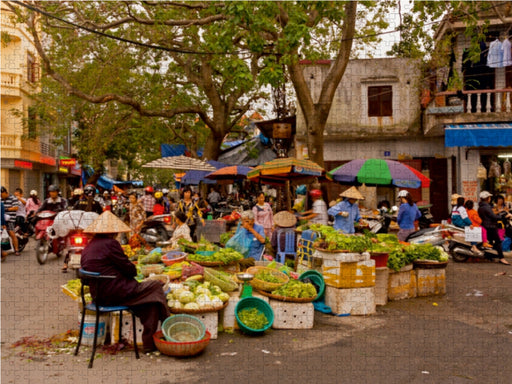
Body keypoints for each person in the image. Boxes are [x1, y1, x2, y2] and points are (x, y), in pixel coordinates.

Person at [81, 211, 170, 353]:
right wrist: (131, 271)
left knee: (151, 303)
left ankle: (149, 344)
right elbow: (129, 269)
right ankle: (168, 324)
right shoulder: (111, 244)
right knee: (155, 286)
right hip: (115, 293)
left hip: (98, 296)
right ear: (112, 232)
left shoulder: (88, 247)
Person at [478, 191, 511, 265]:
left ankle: (489, 256)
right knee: (498, 241)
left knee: (490, 241)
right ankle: (501, 258)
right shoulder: (487, 207)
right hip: (491, 226)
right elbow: (494, 216)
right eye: (489, 197)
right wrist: (503, 217)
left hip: (485, 226)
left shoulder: (481, 207)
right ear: (487, 198)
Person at [1, 186, 20, 255]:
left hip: (10, 219)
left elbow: (16, 208)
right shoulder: (1, 199)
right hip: (2, 218)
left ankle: (17, 250)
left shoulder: (13, 198)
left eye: (1, 194)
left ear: (5, 193)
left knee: (12, 233)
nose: (1, 196)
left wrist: (7, 209)